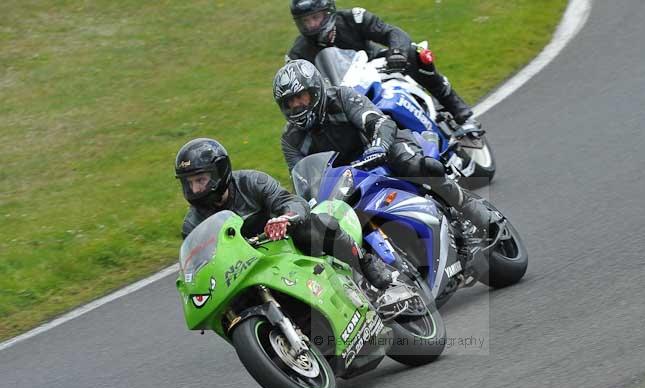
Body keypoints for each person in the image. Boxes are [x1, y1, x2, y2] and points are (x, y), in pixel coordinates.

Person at [273, 60, 494, 230]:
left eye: (301, 97)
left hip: (382, 148)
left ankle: (472, 209)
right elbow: (301, 179)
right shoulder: (290, 139)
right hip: (345, 180)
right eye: (289, 102)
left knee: (418, 167)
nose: (297, 106)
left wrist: (378, 146)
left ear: (315, 91)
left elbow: (377, 121)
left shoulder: (342, 97)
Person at [175, 137, 393, 289]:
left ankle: (365, 262)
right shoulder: (192, 224)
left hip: (283, 243)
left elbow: (290, 201)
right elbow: (198, 264)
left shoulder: (252, 182)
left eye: (201, 180)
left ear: (220, 171)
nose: (195, 190)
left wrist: (286, 218)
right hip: (245, 267)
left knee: (313, 224)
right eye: (189, 183)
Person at [286, 0, 474, 125]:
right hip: (342, 93)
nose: (311, 25)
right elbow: (297, 89)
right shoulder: (297, 54)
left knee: (417, 53)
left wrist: (397, 53)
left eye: (315, 18)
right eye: (305, 21)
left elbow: (392, 32)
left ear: (328, 13)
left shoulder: (353, 18)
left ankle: (454, 104)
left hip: (376, 66)